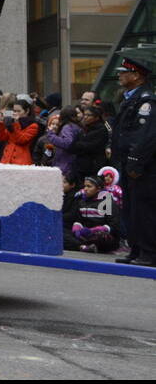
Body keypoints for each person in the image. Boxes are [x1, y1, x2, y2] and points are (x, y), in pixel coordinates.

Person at [111, 49, 156, 266]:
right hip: (127, 164)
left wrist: (135, 163)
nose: (120, 75)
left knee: (144, 208)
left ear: (136, 75)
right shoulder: (130, 99)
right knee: (131, 208)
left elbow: (145, 136)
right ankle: (136, 249)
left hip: (142, 167)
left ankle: (149, 252)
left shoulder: (147, 101)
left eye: (124, 72)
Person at [69, 176, 121, 253]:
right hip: (85, 235)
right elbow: (78, 220)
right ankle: (84, 247)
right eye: (85, 186)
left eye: (89, 186)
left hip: (102, 235)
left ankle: (81, 245)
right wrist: (77, 229)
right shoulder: (81, 201)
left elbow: (113, 225)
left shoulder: (107, 201)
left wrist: (92, 230)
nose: (85, 189)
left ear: (99, 189)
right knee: (64, 233)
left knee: (101, 236)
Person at [72, 104, 110, 182]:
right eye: (85, 114)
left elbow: (93, 146)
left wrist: (79, 145)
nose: (85, 117)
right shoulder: (84, 128)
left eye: (89, 115)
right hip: (81, 164)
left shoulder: (101, 129)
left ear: (96, 117)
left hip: (93, 165)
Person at [0, 98, 40, 165]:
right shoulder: (11, 122)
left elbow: (21, 140)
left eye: (19, 111)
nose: (16, 113)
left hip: (21, 160)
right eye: (14, 111)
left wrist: (15, 124)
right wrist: (1, 123)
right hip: (7, 159)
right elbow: (2, 138)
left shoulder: (33, 125)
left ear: (27, 111)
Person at [38, 106, 81, 175]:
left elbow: (67, 143)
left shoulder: (67, 127)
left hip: (65, 164)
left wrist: (51, 135)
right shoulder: (76, 126)